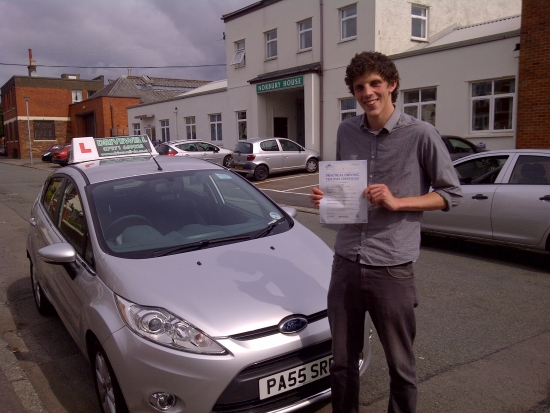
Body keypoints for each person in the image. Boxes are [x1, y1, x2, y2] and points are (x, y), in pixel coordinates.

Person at [310, 51, 462, 413]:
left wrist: (398, 202)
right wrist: (327, 196)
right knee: (343, 363)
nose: (367, 92)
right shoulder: (346, 130)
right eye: (360, 87)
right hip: (346, 261)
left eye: (375, 83)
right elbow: (347, 187)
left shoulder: (421, 134)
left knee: (402, 367)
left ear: (392, 85)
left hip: (392, 266)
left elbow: (451, 194)